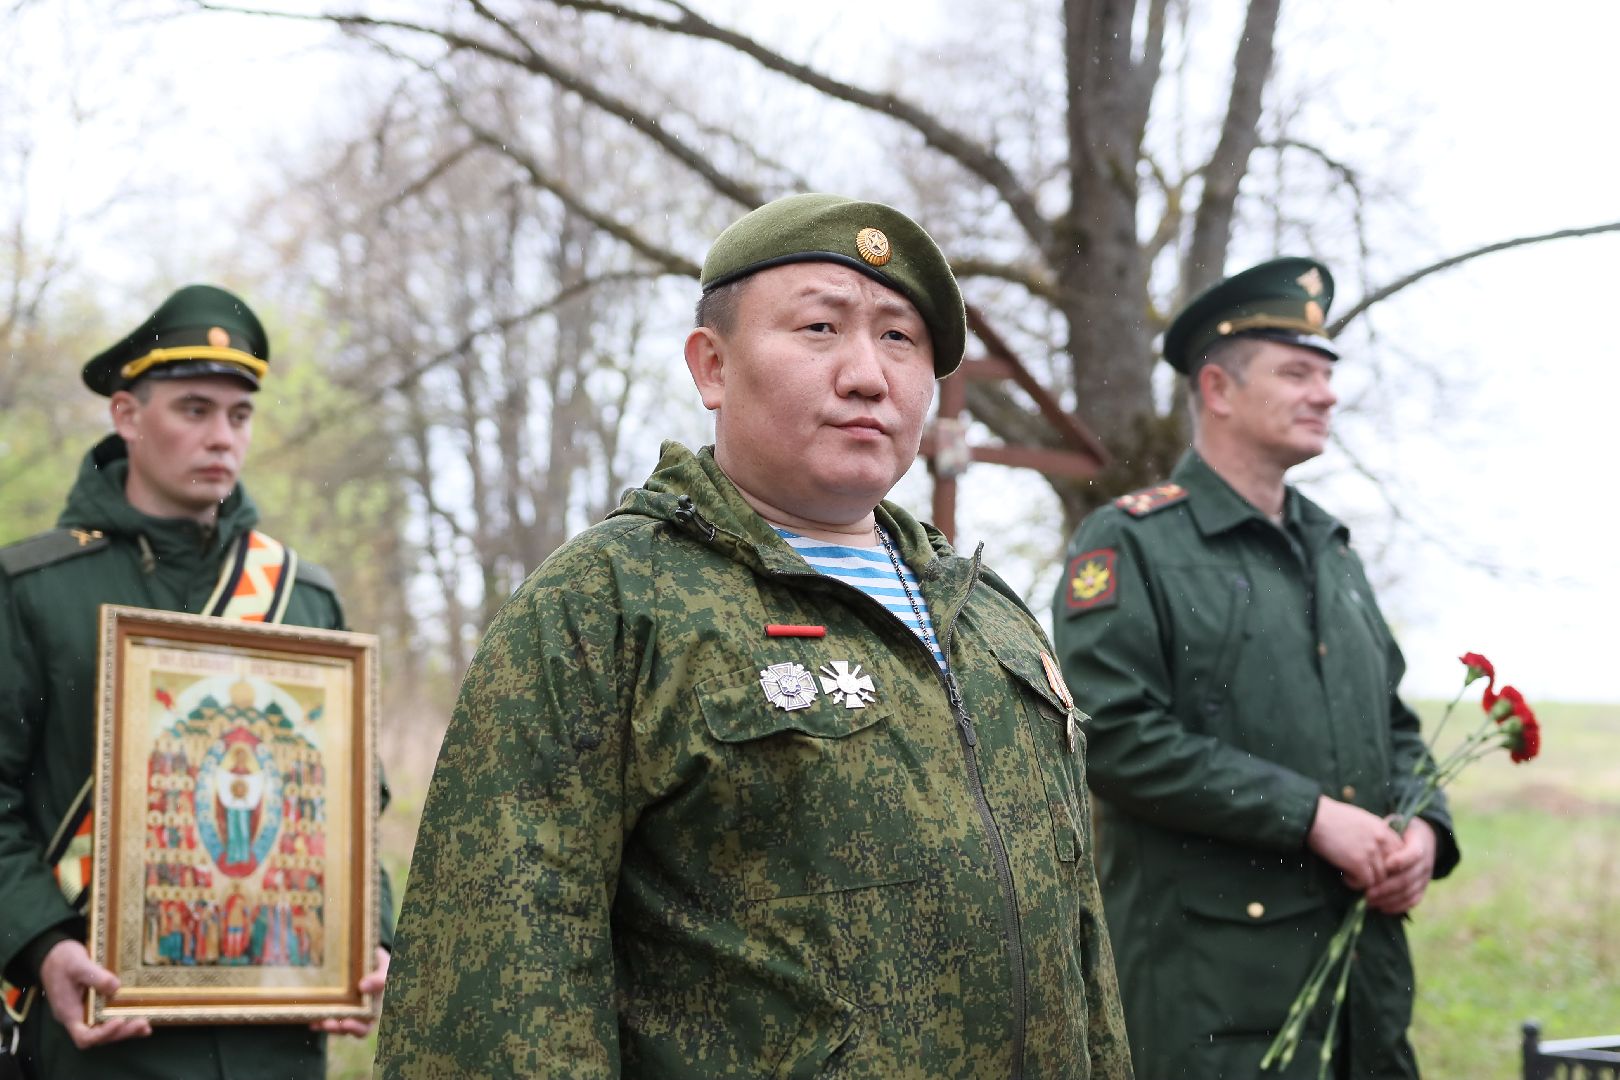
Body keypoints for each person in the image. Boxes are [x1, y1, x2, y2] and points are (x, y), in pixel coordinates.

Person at [376, 194, 1132, 1078]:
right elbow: (496, 987)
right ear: (713, 367)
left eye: (900, 339)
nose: (867, 375)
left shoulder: (992, 617)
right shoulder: (609, 606)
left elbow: (1084, 959)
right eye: (820, 327)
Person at [1052, 257, 1460, 1079]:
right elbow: (1115, 737)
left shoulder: (1332, 552)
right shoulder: (1130, 543)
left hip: (1362, 998)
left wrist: (1424, 828)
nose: (1326, 393)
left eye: (1328, 374)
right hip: (1219, 1001)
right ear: (1219, 389)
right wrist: (1311, 815)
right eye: (1297, 372)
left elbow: (1394, 728)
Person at [0, 285, 394, 1079]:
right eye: (194, 409)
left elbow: (351, 810)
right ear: (127, 415)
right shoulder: (33, 589)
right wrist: (42, 945)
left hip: (275, 1037)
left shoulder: (302, 598)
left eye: (239, 416)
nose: (222, 436)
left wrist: (368, 935)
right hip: (102, 1037)